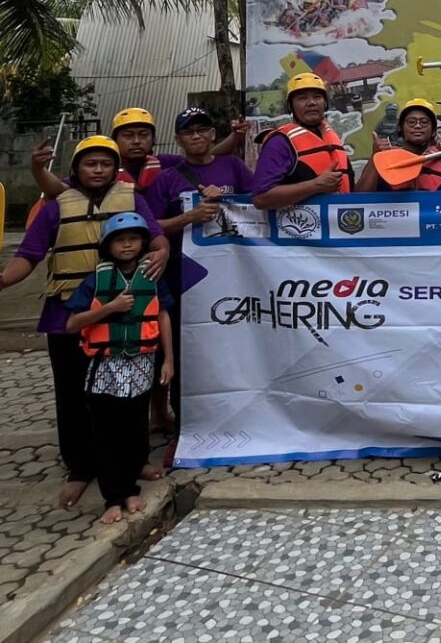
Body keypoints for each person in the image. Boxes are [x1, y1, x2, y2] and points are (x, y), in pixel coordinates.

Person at [0, 136, 168, 508]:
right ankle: (80, 467)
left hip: (124, 314)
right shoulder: (54, 207)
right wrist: (3, 280)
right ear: (75, 169)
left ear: (115, 168)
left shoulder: (132, 199)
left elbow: (156, 239)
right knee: (73, 395)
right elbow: (28, 255)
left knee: (129, 394)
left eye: (105, 164)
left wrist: (163, 252)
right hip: (69, 314)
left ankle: (134, 460)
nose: (98, 170)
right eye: (90, 163)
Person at [144, 108, 253, 446]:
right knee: (186, 349)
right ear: (178, 139)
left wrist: (230, 199)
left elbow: (259, 204)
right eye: (188, 132)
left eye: (202, 129)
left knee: (234, 346)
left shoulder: (233, 166)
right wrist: (188, 217)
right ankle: (186, 424)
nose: (196, 136)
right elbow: (149, 227)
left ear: (212, 134)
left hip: (235, 277)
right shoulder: (166, 179)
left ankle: (240, 415)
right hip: (184, 279)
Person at [64, 213, 175, 524]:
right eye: (120, 240)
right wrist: (111, 307)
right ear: (107, 246)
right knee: (107, 432)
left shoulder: (152, 276)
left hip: (141, 364)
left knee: (134, 428)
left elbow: (162, 316)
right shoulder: (95, 281)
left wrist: (169, 359)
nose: (127, 245)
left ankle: (130, 489)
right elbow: (72, 323)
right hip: (105, 366)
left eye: (133, 239)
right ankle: (112, 497)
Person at [31, 108, 247, 198]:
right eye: (128, 135)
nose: (136, 141)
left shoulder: (165, 164)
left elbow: (205, 155)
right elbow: (58, 189)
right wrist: (38, 168)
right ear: (115, 140)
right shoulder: (102, 169)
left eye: (143, 134)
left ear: (153, 139)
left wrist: (235, 137)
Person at [250, 73, 355, 209]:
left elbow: (354, 192)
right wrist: (315, 185)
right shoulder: (279, 142)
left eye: (317, 97)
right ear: (291, 106)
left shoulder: (333, 140)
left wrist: (375, 161)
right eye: (302, 98)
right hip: (301, 222)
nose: (311, 103)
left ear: (325, 103)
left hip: (341, 221)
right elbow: (260, 199)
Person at [356, 98, 441, 191]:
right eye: (411, 122)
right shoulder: (386, 158)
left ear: (433, 131)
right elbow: (359, 199)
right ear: (401, 129)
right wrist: (375, 157)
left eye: (424, 122)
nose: (418, 126)